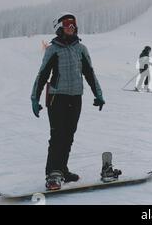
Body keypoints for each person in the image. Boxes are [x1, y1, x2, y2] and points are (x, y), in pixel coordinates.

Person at [31, 12, 106, 190]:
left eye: (73, 25)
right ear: (59, 28)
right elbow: (42, 75)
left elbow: (89, 73)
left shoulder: (81, 49)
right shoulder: (53, 50)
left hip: (75, 98)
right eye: (66, 25)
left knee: (69, 135)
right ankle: (52, 174)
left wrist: (98, 94)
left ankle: (62, 170)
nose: (70, 28)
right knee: (57, 135)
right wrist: (35, 98)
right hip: (57, 98)